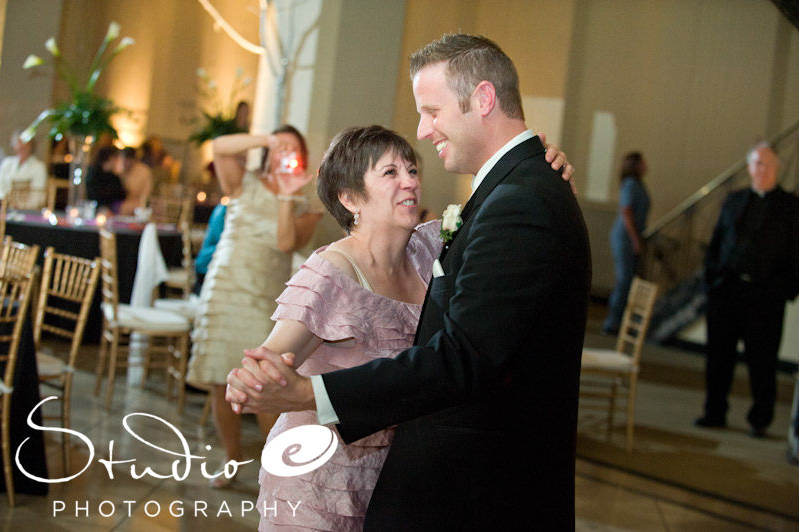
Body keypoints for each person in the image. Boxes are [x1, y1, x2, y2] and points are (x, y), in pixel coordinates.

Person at [227, 34, 590, 530]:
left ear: (483, 99)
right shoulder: (511, 196)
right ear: (350, 196)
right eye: (389, 171)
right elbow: (274, 354)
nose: (423, 130)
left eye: (432, 111)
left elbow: (463, 358)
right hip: (341, 478)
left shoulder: (507, 208)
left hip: (474, 490)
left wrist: (312, 394)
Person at [186, 125, 323, 488]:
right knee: (220, 380)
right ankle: (231, 458)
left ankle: (278, 466)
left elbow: (284, 244)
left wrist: (286, 198)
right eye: (280, 147)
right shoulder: (242, 181)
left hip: (263, 294)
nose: (284, 153)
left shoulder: (307, 201)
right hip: (224, 286)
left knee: (263, 384)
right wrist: (266, 139)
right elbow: (218, 145)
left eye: (293, 149)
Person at [696, 142, 799, 438]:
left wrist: (782, 291)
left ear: (777, 168)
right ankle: (714, 412)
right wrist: (712, 280)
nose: (761, 170)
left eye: (767, 164)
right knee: (718, 358)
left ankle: (760, 419)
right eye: (757, 164)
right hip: (727, 292)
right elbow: (716, 243)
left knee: (763, 363)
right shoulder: (735, 199)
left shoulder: (791, 207)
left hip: (765, 299)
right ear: (749, 168)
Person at [602, 152, 650, 334]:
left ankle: (621, 321)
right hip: (625, 237)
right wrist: (635, 239)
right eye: (643, 162)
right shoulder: (631, 184)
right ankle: (611, 323)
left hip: (632, 236)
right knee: (623, 280)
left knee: (629, 281)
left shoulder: (638, 184)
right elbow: (626, 211)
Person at [0, 130, 47, 208]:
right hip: (5, 208)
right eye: (18, 143)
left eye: (25, 143)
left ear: (31, 145)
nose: (21, 147)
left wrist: (20, 206)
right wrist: (6, 201)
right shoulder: (7, 163)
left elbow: (38, 195)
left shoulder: (39, 167)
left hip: (27, 211)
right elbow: (0, 187)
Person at [192, 202, 226, 294]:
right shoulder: (224, 211)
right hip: (206, 265)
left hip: (203, 261)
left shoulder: (220, 208)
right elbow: (221, 240)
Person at [85, 145, 126, 212]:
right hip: (96, 209)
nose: (117, 161)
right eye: (116, 158)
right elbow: (93, 195)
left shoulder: (114, 177)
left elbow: (121, 195)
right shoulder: (94, 174)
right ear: (110, 158)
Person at [117, 147, 153, 215]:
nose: (126, 163)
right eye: (124, 160)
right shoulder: (116, 168)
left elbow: (146, 194)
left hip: (136, 205)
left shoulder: (144, 172)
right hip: (117, 204)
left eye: (129, 160)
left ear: (134, 160)